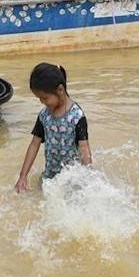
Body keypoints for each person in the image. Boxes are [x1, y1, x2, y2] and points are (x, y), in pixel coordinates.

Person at [14, 63, 92, 192]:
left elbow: (84, 148)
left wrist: (88, 178)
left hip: (72, 178)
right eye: (39, 98)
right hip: (50, 176)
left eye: (44, 98)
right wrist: (23, 176)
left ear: (60, 90)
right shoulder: (44, 116)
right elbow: (34, 145)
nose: (41, 102)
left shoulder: (77, 116)